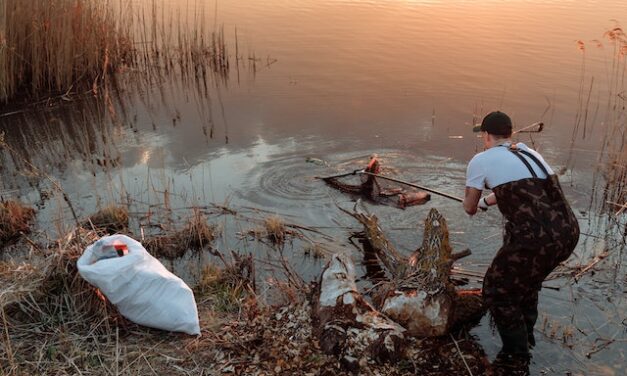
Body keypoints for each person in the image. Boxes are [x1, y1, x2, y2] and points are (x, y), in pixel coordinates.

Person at [463, 111, 580, 369]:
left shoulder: (480, 160)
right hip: (568, 232)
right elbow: (528, 190)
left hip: (534, 239)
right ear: (510, 134)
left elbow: (469, 207)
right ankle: (526, 340)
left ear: (485, 135)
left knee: (497, 289)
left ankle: (515, 358)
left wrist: (475, 201)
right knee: (528, 283)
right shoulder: (529, 152)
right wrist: (489, 201)